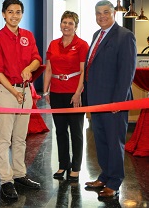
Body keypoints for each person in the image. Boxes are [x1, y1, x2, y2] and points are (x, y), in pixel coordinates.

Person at [0, 0, 42, 200]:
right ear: (3, 14)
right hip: (6, 91)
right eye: (10, 12)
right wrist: (13, 91)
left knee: (20, 138)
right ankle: (6, 181)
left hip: (26, 92)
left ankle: (19, 174)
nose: (14, 15)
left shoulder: (27, 35)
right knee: (4, 139)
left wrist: (29, 68)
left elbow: (37, 59)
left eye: (18, 12)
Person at [83, 0, 136, 199]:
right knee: (102, 141)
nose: (102, 16)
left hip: (114, 103)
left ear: (114, 13)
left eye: (106, 12)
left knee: (115, 143)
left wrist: (119, 101)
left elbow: (127, 72)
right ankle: (104, 176)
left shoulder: (125, 36)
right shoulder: (97, 34)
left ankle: (114, 182)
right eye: (98, 13)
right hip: (96, 102)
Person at [43, 11, 89, 182]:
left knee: (76, 131)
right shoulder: (53, 44)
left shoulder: (82, 45)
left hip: (73, 93)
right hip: (56, 92)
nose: (67, 26)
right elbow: (48, 69)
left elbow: (84, 71)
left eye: (70, 23)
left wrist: (78, 93)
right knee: (60, 131)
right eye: (64, 22)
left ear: (76, 26)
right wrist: (46, 91)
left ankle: (75, 167)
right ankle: (63, 164)